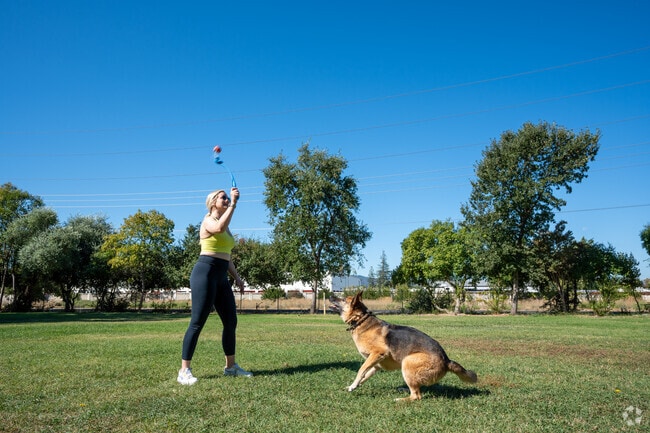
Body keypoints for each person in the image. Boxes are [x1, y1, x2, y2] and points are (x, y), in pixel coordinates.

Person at [177, 187, 253, 385]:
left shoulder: (225, 225)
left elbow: (226, 256)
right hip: (205, 273)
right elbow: (218, 228)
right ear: (213, 203)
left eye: (228, 198)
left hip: (221, 276)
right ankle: (184, 371)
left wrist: (236, 277)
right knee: (197, 322)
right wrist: (235, 204)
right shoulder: (208, 221)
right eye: (223, 198)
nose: (227, 199)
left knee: (230, 321)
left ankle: (231, 367)